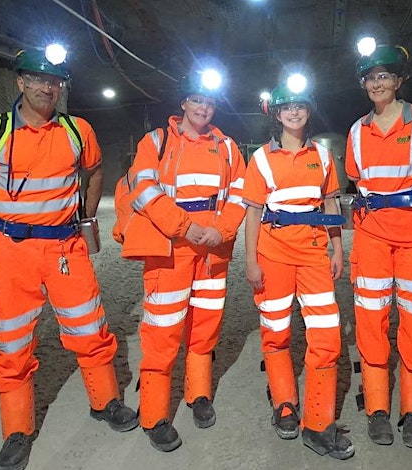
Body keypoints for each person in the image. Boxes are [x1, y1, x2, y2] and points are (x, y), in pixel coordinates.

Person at [0, 46, 138, 470]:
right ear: (20, 82)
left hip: (65, 248)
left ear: (61, 87)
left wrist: (87, 218)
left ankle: (105, 401)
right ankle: (17, 428)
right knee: (13, 341)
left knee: (91, 327)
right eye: (36, 79)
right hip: (9, 251)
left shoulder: (77, 131)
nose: (45, 87)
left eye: (53, 81)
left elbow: (94, 170)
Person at [111, 68, 246, 452]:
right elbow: (145, 189)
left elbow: (240, 193)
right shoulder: (156, 141)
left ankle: (198, 394)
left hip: (213, 248)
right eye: (197, 99)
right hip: (171, 247)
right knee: (163, 331)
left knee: (205, 326)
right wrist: (184, 227)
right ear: (183, 102)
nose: (204, 107)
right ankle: (154, 415)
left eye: (210, 101)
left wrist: (221, 229)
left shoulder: (228, 147)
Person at [242, 75, 353, 460]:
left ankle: (319, 423)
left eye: (300, 105)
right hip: (273, 254)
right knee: (276, 332)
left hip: (313, 254)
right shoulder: (260, 158)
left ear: (308, 111)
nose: (294, 112)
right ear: (276, 113)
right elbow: (253, 213)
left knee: (326, 337)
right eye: (286, 106)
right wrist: (251, 260)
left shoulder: (322, 156)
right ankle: (285, 404)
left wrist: (338, 248)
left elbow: (331, 205)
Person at [345, 43, 412, 449]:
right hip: (371, 234)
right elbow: (358, 181)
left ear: (399, 80)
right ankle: (376, 408)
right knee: (371, 318)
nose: (377, 83)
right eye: (371, 77)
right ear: (364, 84)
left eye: (385, 75)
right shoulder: (357, 130)